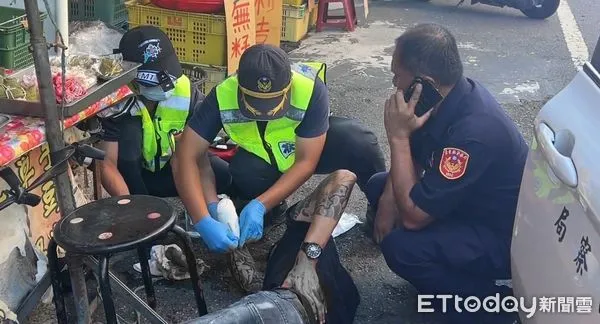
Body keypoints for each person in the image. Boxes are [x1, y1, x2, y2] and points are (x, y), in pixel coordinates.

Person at [365, 23, 528, 324]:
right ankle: (444, 273)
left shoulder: (474, 133)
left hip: (501, 235)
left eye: (396, 75)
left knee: (401, 248)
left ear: (422, 82)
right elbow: (413, 155)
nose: (393, 83)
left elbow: (414, 219)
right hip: (466, 203)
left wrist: (397, 137)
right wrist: (387, 205)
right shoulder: (441, 97)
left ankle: (489, 305)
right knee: (379, 187)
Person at [174, 43, 385, 253]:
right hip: (263, 160)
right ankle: (273, 208)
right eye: (254, 103)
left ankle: (382, 210)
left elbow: (306, 161)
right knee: (245, 170)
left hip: (306, 147)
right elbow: (186, 155)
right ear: (239, 84)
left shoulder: (309, 88)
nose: (263, 112)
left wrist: (260, 205)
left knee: (358, 140)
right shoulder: (222, 95)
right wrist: (203, 217)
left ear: (289, 84)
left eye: (272, 103)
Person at [183, 170, 361, 324]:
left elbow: (343, 177)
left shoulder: (299, 232)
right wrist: (235, 242)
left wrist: (307, 262)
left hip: (282, 306)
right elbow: (343, 178)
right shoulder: (297, 237)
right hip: (289, 307)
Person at [96, 26, 232, 199]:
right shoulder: (116, 101)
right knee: (129, 140)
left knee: (224, 176)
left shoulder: (185, 91)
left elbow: (194, 156)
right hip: (136, 178)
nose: (166, 85)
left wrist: (205, 208)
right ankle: (142, 200)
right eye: (154, 82)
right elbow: (107, 165)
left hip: (173, 167)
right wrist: (132, 206)